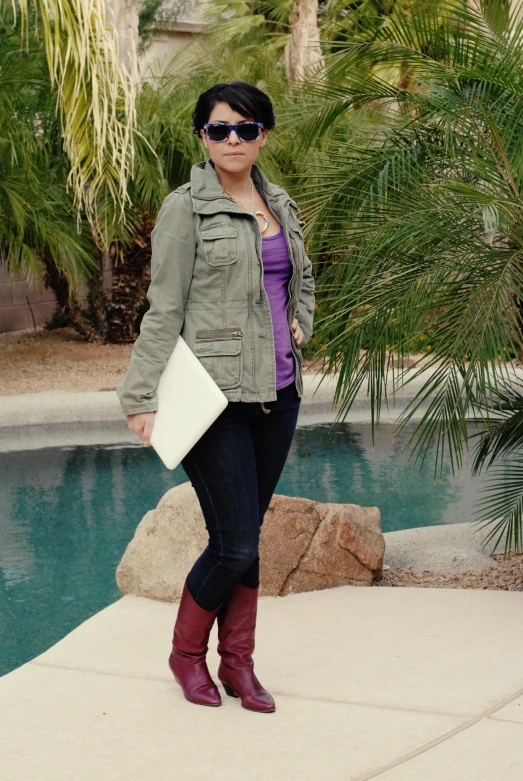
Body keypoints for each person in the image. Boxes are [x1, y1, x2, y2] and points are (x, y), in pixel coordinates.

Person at [116, 81, 315, 714]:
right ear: (202, 136)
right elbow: (164, 307)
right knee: (233, 543)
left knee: (246, 533)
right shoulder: (186, 209)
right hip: (214, 397)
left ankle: (239, 665)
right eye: (220, 128)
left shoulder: (277, 202)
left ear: (264, 135)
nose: (234, 139)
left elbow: (301, 277)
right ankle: (185, 657)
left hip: (278, 392)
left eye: (247, 128)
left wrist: (300, 321)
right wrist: (139, 394)